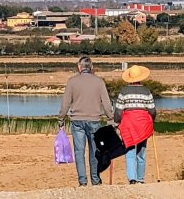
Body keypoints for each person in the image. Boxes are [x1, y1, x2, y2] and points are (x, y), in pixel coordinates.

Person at [58, 56, 114, 187]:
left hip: (76, 121)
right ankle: (95, 179)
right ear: (92, 68)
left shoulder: (72, 81)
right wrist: (111, 119)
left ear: (79, 67)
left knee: (79, 151)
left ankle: (82, 181)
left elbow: (65, 103)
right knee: (94, 151)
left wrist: (61, 118)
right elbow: (106, 103)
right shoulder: (99, 82)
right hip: (94, 120)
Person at [114, 65, 156, 185]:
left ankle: (132, 179)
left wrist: (116, 123)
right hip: (143, 124)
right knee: (141, 152)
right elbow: (152, 110)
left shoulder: (123, 92)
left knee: (129, 151)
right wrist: (152, 120)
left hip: (128, 125)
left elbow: (118, 111)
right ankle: (141, 179)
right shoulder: (146, 91)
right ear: (140, 78)